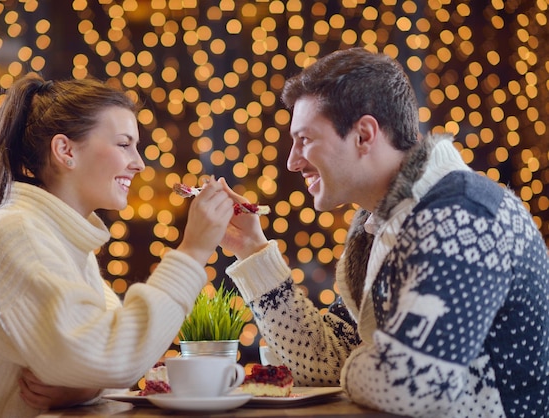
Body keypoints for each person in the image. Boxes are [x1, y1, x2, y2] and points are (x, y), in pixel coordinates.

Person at [219, 47, 549, 418]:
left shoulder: (462, 217)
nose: (292, 161)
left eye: (305, 140)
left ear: (363, 134)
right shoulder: (384, 227)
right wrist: (251, 249)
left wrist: (374, 356)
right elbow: (323, 361)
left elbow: (412, 389)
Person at [0, 74, 235, 417]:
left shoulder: (64, 244)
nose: (139, 162)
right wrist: (192, 252)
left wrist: (85, 388)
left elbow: (119, 362)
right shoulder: (16, 235)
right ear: (65, 151)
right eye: (123, 144)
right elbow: (114, 357)